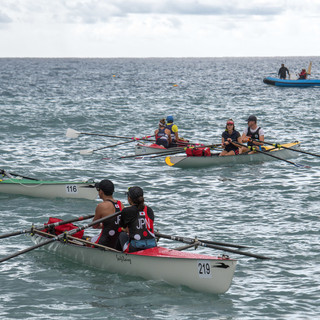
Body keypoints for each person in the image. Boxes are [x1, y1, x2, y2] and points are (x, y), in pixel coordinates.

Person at [118, 186, 156, 253]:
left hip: (135, 247)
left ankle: (120, 256)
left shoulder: (127, 210)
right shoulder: (149, 210)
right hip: (152, 245)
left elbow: (122, 226)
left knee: (121, 233)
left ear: (129, 198)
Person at [91, 179, 124, 249]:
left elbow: (94, 225)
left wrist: (101, 225)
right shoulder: (120, 204)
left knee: (87, 242)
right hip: (118, 242)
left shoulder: (101, 206)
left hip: (104, 243)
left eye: (98, 190)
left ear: (101, 192)